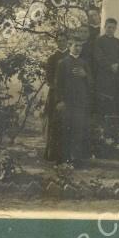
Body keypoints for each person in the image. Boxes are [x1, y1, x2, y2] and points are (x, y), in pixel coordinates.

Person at [51, 37, 93, 167]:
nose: (78, 48)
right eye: (76, 45)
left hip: (80, 103)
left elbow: (91, 83)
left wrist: (84, 75)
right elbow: (58, 84)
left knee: (78, 130)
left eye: (80, 46)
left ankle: (75, 160)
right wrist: (60, 101)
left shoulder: (84, 63)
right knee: (64, 130)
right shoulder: (63, 63)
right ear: (70, 46)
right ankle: (63, 159)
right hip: (66, 102)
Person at [92, 18, 119, 121]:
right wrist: (110, 66)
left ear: (116, 29)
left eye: (113, 28)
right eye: (109, 27)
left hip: (115, 77)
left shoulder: (118, 42)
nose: (111, 29)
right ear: (105, 27)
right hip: (103, 76)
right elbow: (98, 57)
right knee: (103, 102)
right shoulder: (99, 41)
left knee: (114, 103)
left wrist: (118, 65)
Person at [42, 32, 70, 163]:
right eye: (59, 40)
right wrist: (59, 95)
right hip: (55, 95)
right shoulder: (52, 59)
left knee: (68, 124)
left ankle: (66, 155)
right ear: (56, 42)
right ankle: (52, 154)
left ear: (67, 41)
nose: (61, 43)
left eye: (64, 40)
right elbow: (49, 79)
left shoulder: (72, 57)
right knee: (54, 124)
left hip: (70, 96)